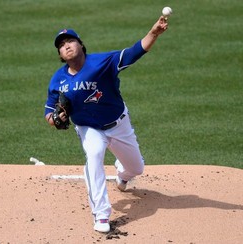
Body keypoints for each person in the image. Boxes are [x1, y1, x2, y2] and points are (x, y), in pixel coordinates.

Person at [44, 16, 168, 233]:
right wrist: (55, 120)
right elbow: (49, 110)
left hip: (119, 124)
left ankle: (122, 175)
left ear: (80, 44)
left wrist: (154, 33)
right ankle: (101, 215)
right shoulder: (58, 80)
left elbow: (134, 52)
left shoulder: (103, 62)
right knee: (93, 155)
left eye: (70, 41)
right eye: (62, 46)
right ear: (60, 55)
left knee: (136, 167)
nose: (66, 46)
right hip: (88, 128)